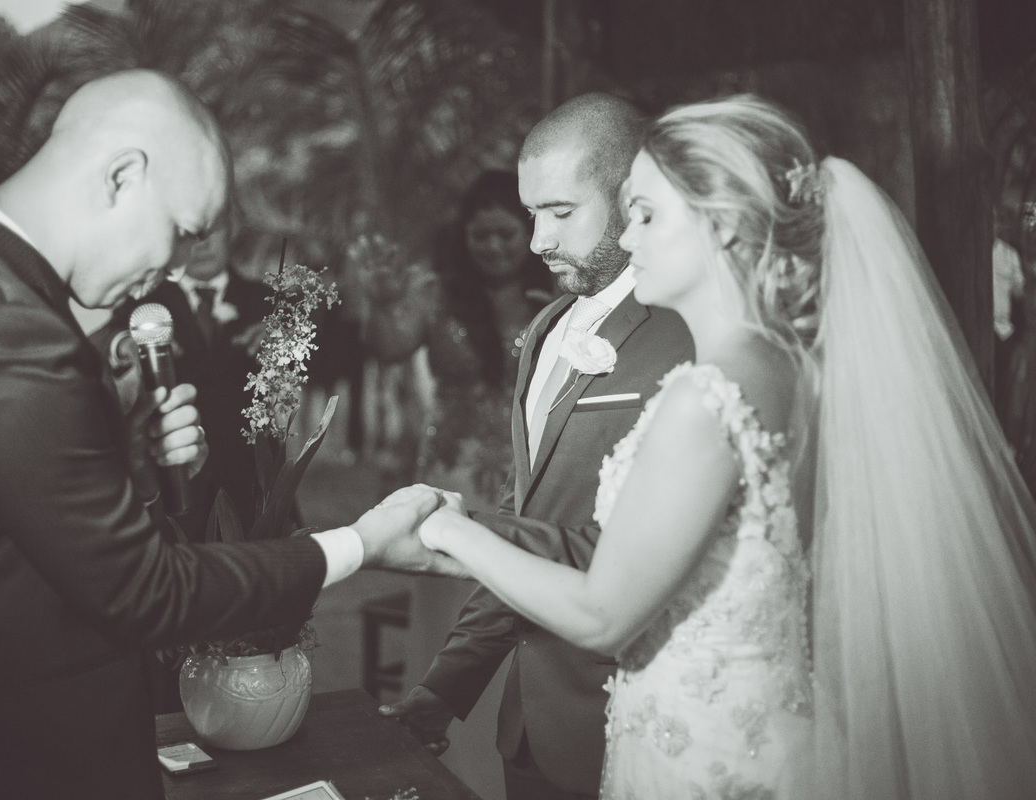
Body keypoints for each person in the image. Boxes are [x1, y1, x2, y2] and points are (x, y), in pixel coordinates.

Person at [0, 69, 459, 800]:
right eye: (183, 231)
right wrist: (361, 543)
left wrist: (125, 461)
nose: (176, 265)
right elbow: (146, 592)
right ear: (122, 176)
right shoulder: (0, 328)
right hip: (6, 753)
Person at [416, 95, 1036, 800]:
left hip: (697, 750)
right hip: (729, 723)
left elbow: (604, 610)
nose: (630, 237)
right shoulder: (790, 364)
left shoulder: (704, 390)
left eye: (646, 215)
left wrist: (445, 529)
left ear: (725, 227)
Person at [380, 93, 693, 800]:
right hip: (525, 734)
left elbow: (631, 553)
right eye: (532, 215)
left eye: (560, 213)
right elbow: (526, 514)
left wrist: (452, 529)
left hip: (628, 722)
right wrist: (444, 690)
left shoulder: (685, 332)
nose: (536, 242)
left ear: (630, 196)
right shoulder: (547, 329)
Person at [365, 170, 555, 506]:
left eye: (506, 234)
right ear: (464, 236)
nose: (494, 246)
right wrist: (382, 305)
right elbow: (391, 349)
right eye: (481, 235)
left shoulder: (553, 294)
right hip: (452, 469)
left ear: (529, 232)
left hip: (531, 466)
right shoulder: (435, 294)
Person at [98, 219, 271, 539]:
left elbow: (320, 355)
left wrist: (284, 342)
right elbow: (106, 334)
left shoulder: (267, 302)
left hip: (252, 482)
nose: (202, 244)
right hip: (177, 481)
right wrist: (124, 344)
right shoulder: (146, 304)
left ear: (232, 229)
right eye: (192, 234)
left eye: (212, 230)